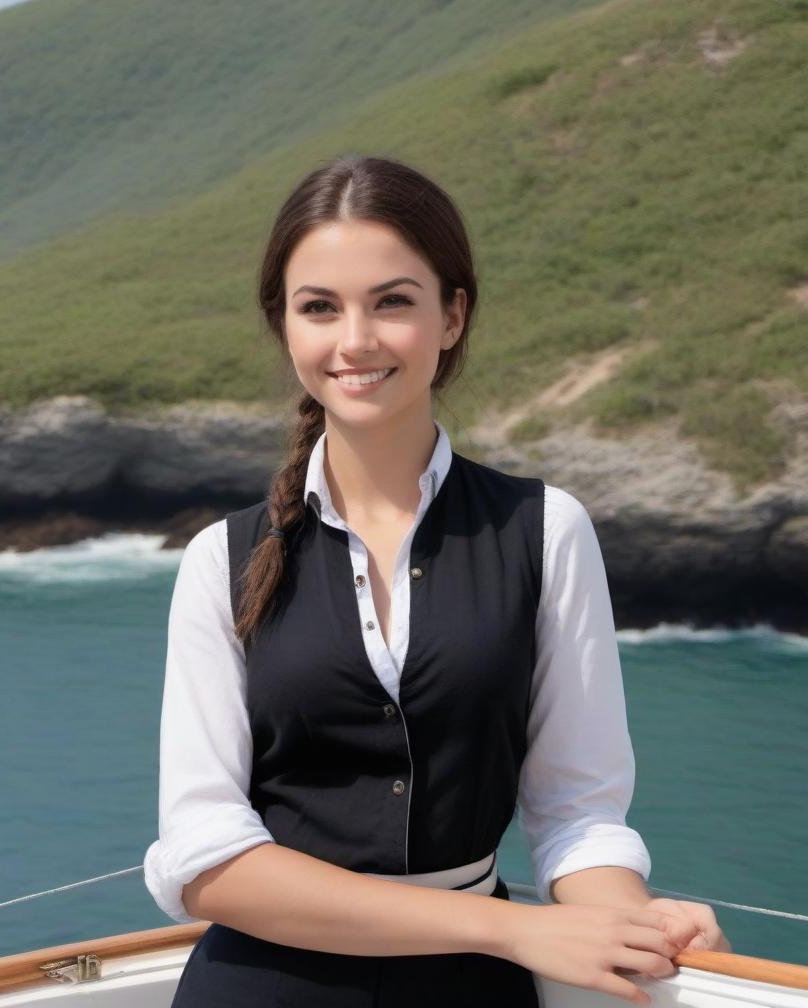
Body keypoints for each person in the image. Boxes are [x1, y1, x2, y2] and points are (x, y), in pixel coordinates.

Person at [143, 155, 730, 1007]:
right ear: (285, 327)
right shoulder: (218, 561)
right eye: (319, 308)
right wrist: (508, 928)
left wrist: (638, 920)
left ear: (452, 315)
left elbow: (578, 815)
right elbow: (206, 859)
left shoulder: (545, 530)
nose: (356, 340)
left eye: (393, 301)